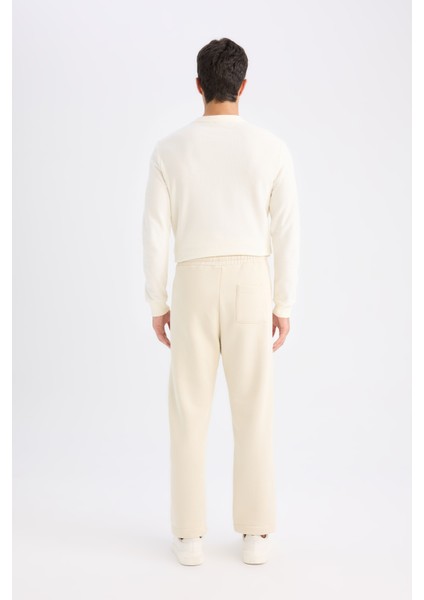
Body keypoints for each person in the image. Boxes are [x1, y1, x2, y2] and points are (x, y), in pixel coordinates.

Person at [142, 37, 300, 566]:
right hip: (251, 282)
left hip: (191, 280)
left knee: (189, 409)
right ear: (243, 86)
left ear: (198, 85)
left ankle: (189, 536)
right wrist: (283, 303)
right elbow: (287, 232)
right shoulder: (271, 149)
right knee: (253, 407)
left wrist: (157, 300)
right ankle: (255, 533)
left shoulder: (169, 150)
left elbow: (154, 232)